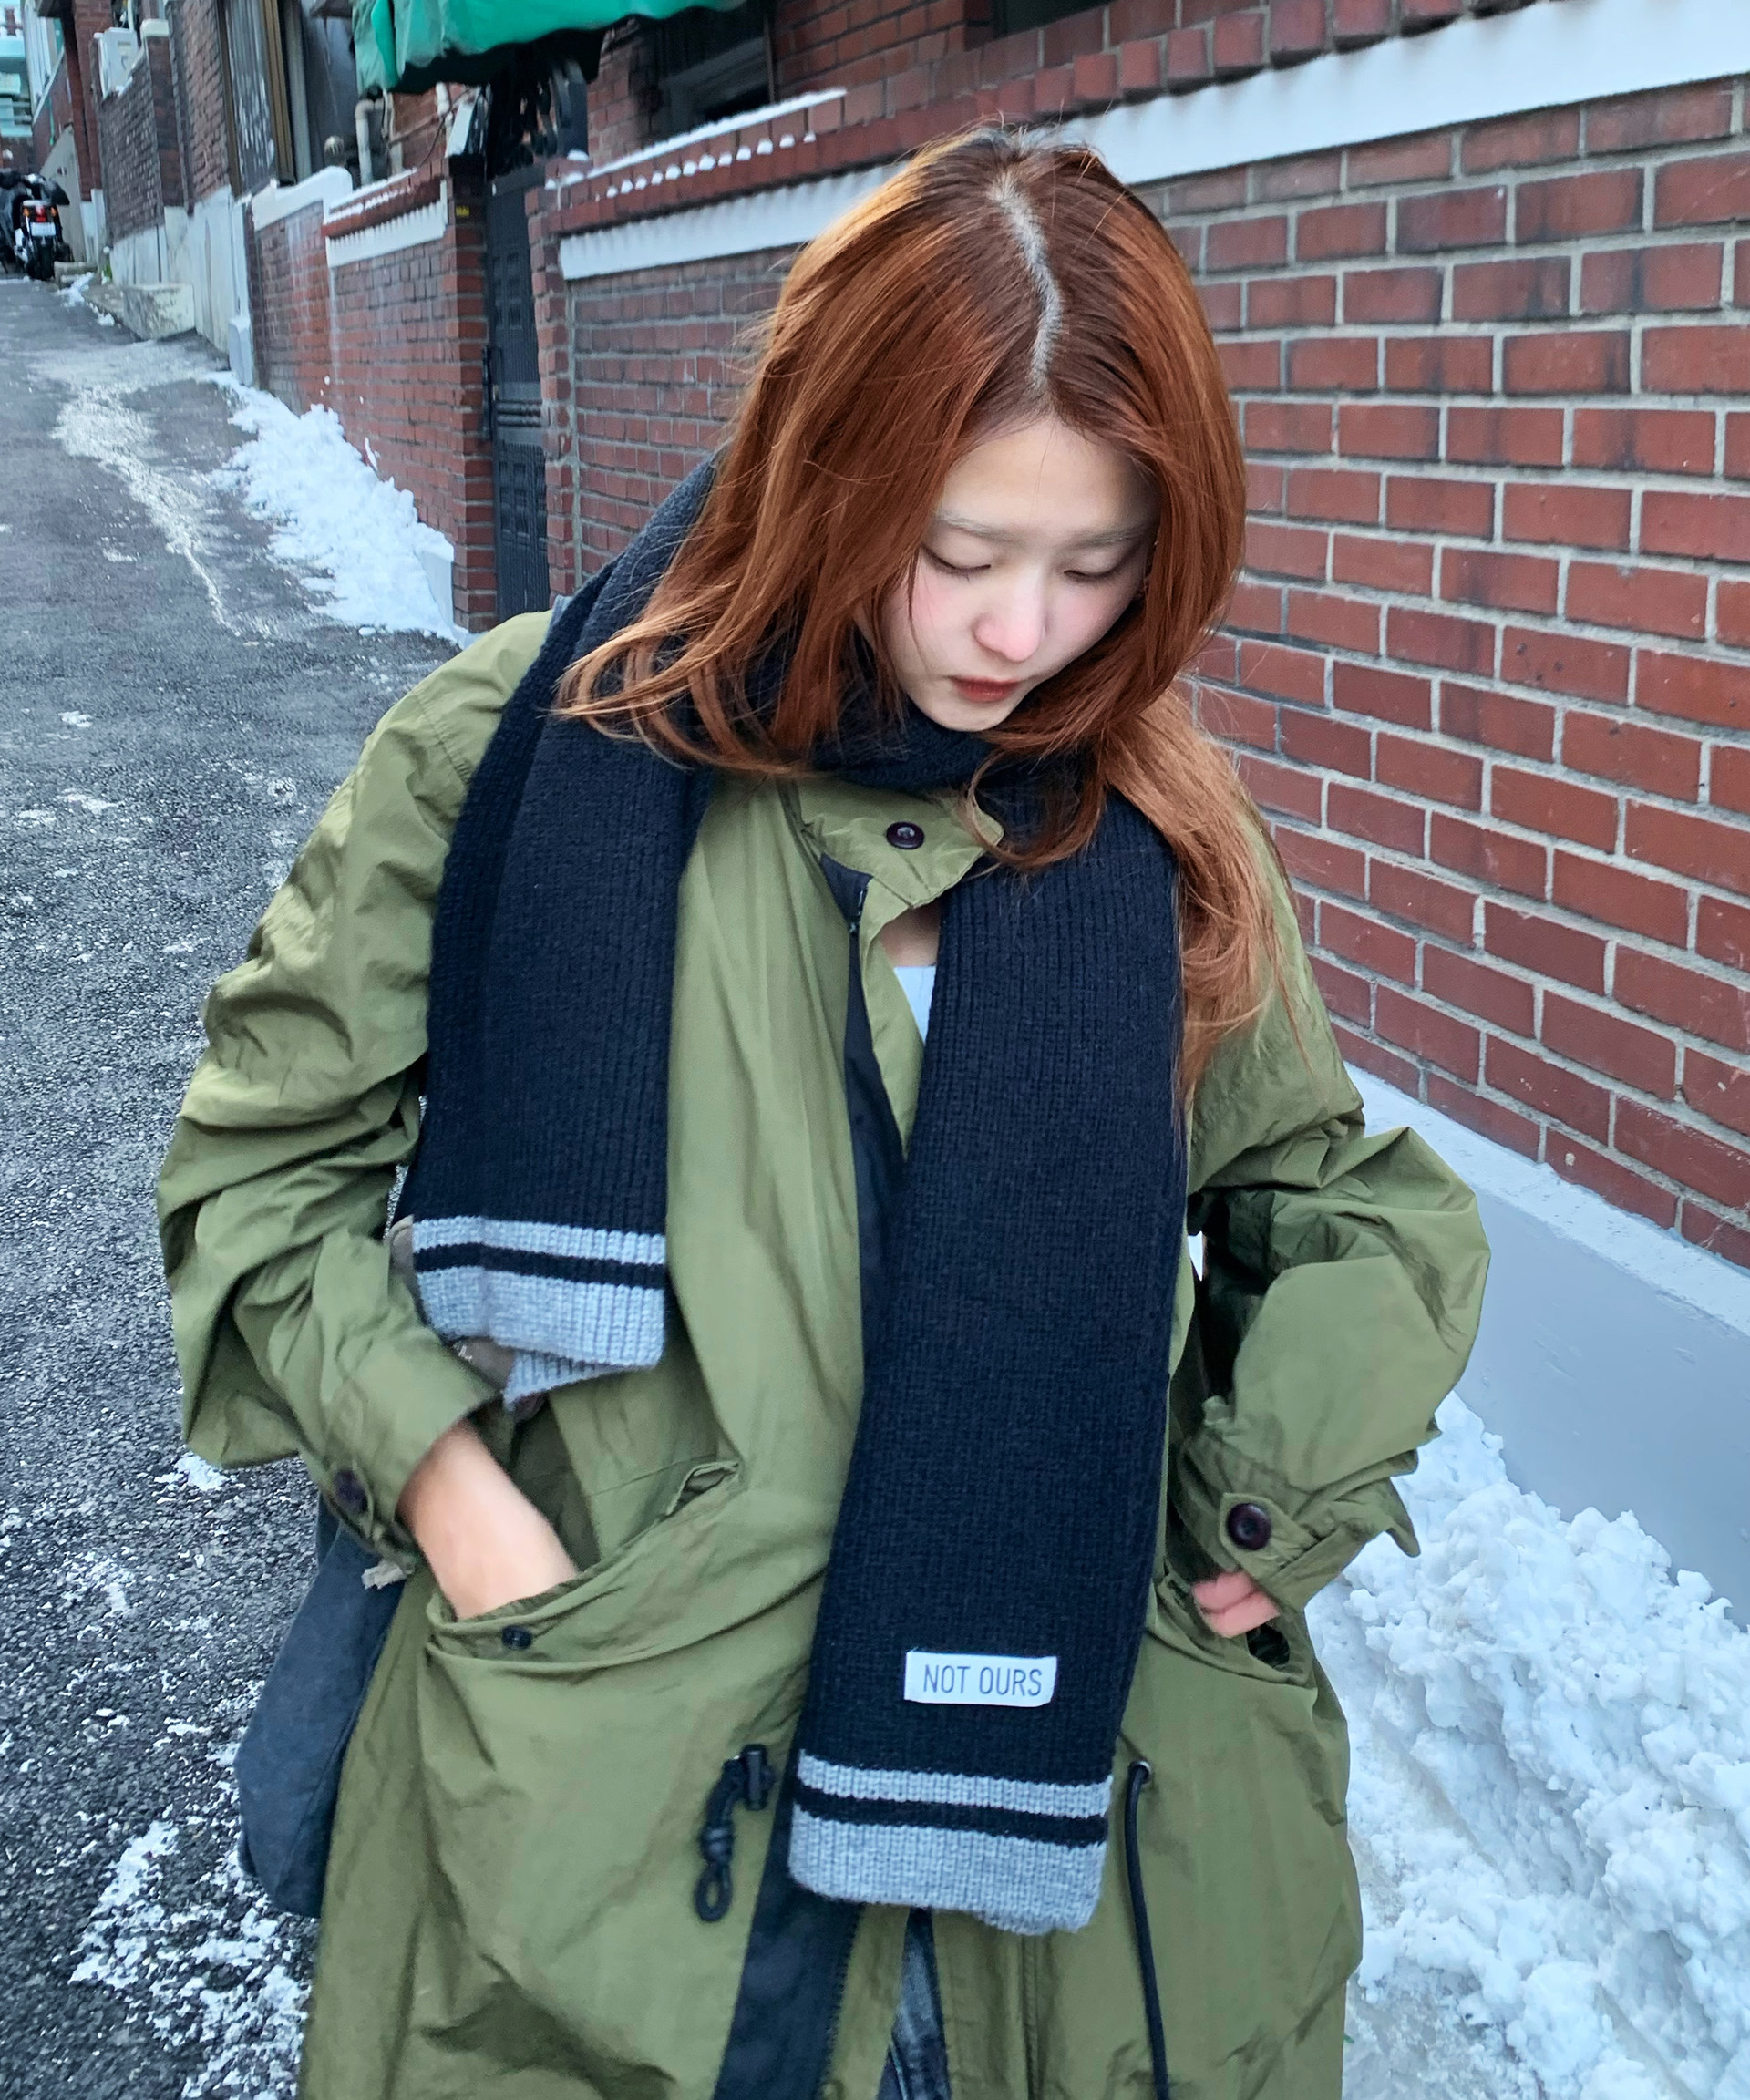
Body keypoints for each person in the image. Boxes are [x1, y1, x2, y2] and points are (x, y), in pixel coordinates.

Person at [159, 129, 1488, 2100]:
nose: (1023, 636)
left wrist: (1262, 1495)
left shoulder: (1156, 814)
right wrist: (457, 1498)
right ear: (828, 470)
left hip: (1086, 1842)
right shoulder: (525, 753)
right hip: (627, 1802)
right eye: (959, 552)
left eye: (1096, 564)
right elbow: (263, 1172)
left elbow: (1336, 1200)